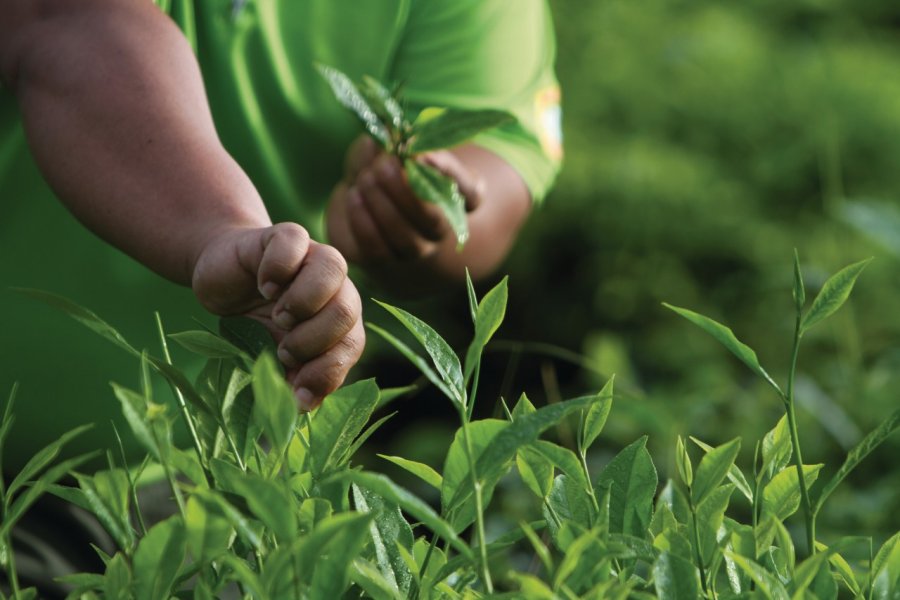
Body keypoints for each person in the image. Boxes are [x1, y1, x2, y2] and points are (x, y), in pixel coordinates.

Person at [0, 0, 560, 468]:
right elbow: (64, 22)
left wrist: (417, 214)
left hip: (208, 461)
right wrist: (226, 231)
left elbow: (497, 160)